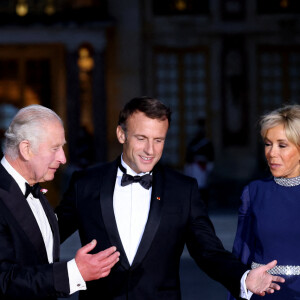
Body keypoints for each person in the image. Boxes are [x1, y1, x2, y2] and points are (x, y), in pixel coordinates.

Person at [56, 96, 284, 300]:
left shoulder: (183, 190)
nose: (150, 150)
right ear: (121, 134)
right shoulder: (85, 184)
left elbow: (208, 251)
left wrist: (243, 277)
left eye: (159, 140)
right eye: (141, 138)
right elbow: (47, 238)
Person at [0, 104, 120, 300]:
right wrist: (74, 272)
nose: (63, 158)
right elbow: (4, 282)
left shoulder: (34, 189)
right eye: (55, 148)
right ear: (26, 149)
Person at [229, 104, 300, 300]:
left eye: (282, 145)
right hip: (262, 295)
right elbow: (241, 255)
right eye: (268, 144)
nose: (271, 153)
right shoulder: (254, 192)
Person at [184, 118, 214, 205]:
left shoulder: (206, 143)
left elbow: (211, 156)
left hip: (201, 167)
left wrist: (209, 166)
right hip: (193, 166)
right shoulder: (193, 142)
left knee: (202, 185)